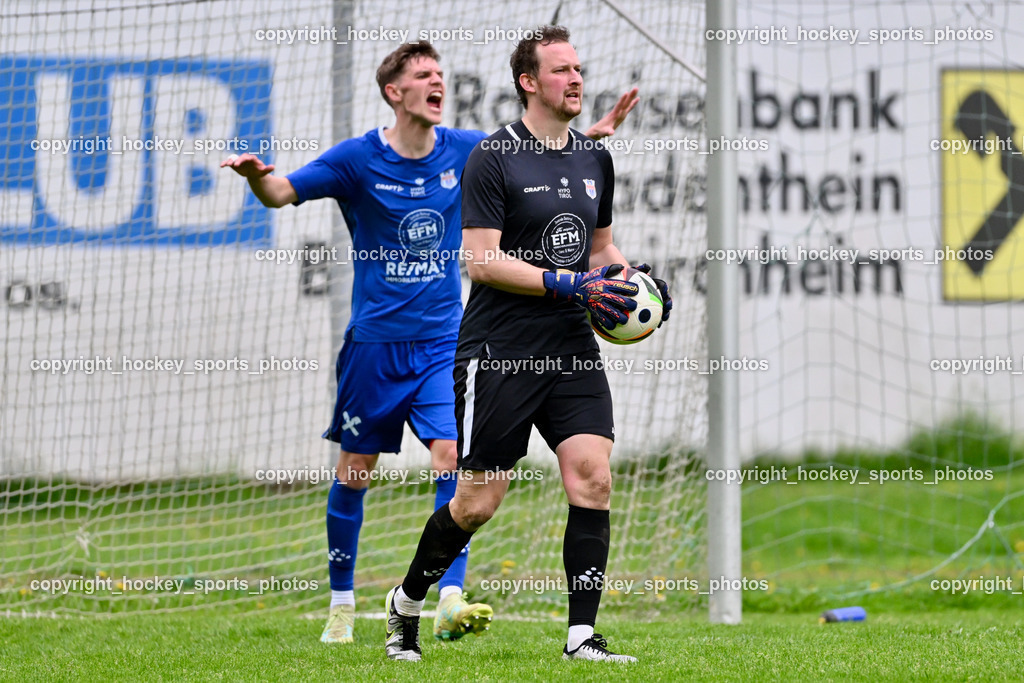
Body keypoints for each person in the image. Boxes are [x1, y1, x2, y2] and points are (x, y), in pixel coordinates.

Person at [221, 41, 639, 645]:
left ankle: (489, 610)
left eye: (440, 73)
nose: (437, 82)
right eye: (423, 75)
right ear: (395, 92)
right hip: (388, 343)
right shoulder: (360, 159)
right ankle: (351, 602)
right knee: (388, 479)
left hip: (455, 341)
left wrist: (589, 148)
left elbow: (545, 166)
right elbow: (283, 192)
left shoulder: (467, 148)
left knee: (559, 472)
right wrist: (260, 179)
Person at [383, 26, 671, 663]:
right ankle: (405, 604)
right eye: (561, 69)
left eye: (578, 68)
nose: (576, 78)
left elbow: (600, 250)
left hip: (570, 346)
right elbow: (481, 261)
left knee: (593, 477)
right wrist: (567, 282)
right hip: (499, 350)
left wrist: (636, 286)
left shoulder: (593, 158)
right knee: (477, 503)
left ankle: (581, 637)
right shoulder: (493, 157)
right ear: (529, 82)